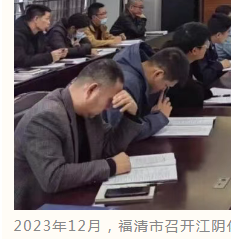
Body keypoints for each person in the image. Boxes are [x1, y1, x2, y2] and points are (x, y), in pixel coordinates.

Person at [14, 59, 142, 209]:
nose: (109, 107)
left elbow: (109, 147)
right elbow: (53, 177)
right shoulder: (46, 116)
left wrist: (131, 116)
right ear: (91, 90)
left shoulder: (88, 111)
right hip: (36, 206)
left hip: (69, 196)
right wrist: (111, 166)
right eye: (109, 100)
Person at [105, 44, 189, 141]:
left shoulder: (140, 72)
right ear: (158, 74)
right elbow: (121, 135)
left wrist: (150, 113)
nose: (164, 89)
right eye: (166, 85)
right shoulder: (127, 83)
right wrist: (160, 117)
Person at [165, 22, 230, 108]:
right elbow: (195, 93)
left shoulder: (190, 61)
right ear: (194, 50)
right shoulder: (173, 67)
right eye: (206, 44)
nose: (207, 47)